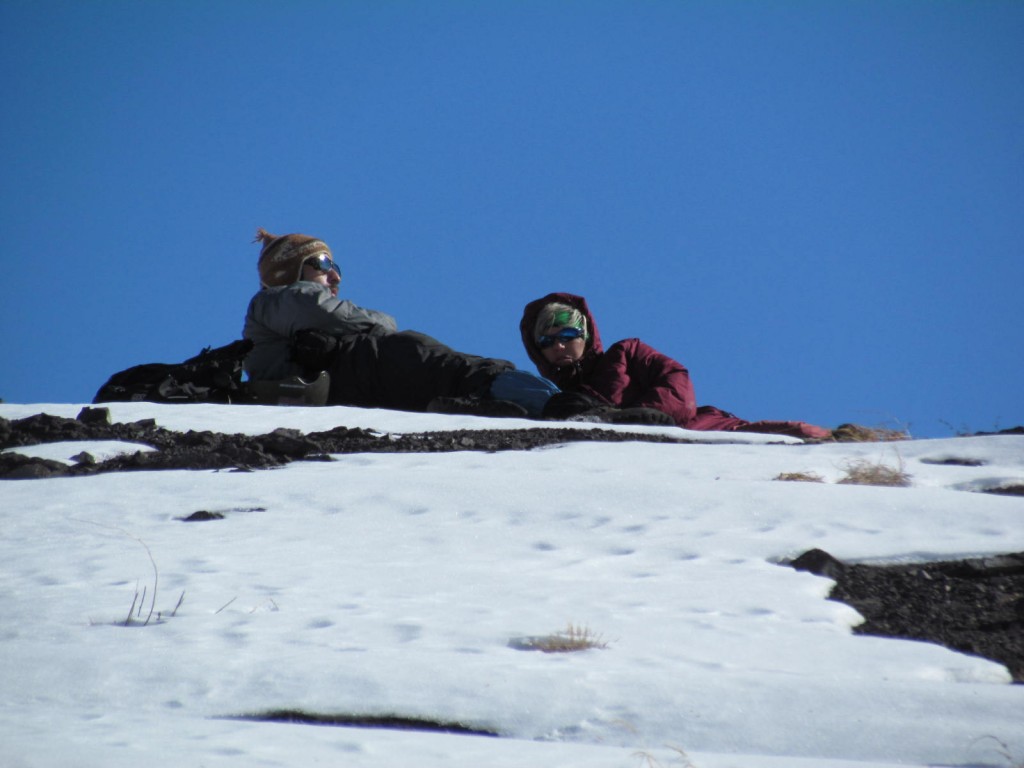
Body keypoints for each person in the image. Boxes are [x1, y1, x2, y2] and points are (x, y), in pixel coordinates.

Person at [242, 228, 559, 417]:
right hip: (367, 370)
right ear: (287, 271)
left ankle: (540, 402)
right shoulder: (272, 300)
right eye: (322, 263)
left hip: (359, 382)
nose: (336, 275)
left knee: (456, 370)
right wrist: (382, 323)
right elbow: (332, 313)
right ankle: (552, 404)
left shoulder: (280, 313)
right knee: (450, 366)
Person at [520, 292, 833, 440]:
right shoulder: (554, 399)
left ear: (586, 335)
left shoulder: (627, 353)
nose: (559, 346)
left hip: (698, 430)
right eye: (547, 341)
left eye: (567, 335)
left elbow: (676, 381)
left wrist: (645, 416)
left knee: (798, 435)